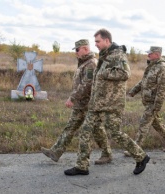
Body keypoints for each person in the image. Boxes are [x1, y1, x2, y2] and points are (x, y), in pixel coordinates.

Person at [64, 28, 150, 176]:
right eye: (95, 42)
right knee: (85, 131)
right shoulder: (104, 55)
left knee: (116, 134)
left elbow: (125, 73)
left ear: (106, 40)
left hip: (111, 103)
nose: (95, 44)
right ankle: (82, 166)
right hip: (97, 103)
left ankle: (141, 156)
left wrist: (104, 73)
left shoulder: (117, 54)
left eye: (97, 41)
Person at [41, 39, 112, 165]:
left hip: (88, 105)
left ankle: (106, 154)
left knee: (97, 130)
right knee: (71, 127)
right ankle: (55, 152)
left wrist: (72, 98)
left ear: (85, 49)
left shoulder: (91, 64)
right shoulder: (83, 63)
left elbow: (87, 84)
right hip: (81, 104)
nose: (76, 53)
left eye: (78, 50)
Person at [124, 46, 165, 157]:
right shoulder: (152, 66)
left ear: (157, 55)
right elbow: (144, 81)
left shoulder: (163, 68)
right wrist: (134, 90)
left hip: (153, 103)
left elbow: (162, 89)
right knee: (157, 124)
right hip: (148, 102)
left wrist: (157, 106)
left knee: (143, 124)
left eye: (150, 53)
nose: (148, 55)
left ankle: (135, 149)